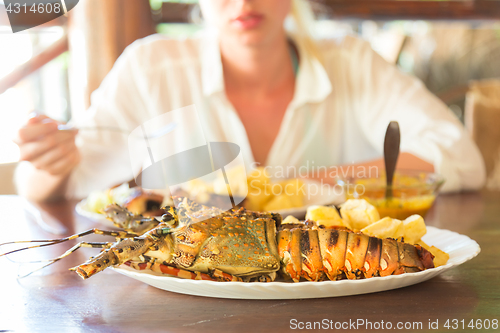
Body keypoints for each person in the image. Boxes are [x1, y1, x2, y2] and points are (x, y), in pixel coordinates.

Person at [14, 0, 485, 203]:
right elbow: (57, 184)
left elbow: (461, 158)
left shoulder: (351, 61)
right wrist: (46, 160)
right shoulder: (150, 68)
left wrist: (302, 184)